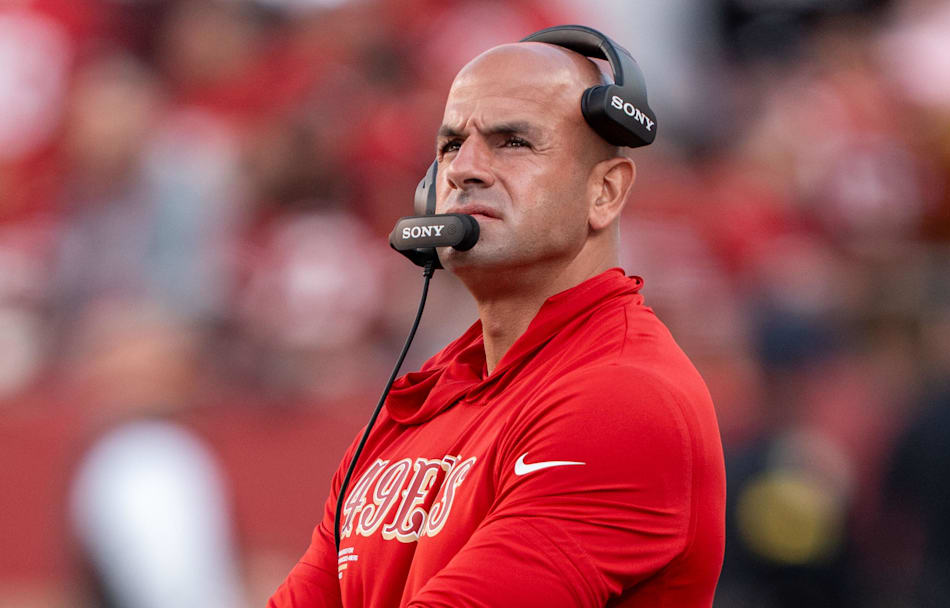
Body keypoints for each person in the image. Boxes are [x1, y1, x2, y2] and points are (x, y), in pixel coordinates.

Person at [268, 27, 726, 607]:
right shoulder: (415, 403)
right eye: (452, 144)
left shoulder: (627, 398)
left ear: (605, 192)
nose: (465, 170)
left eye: (512, 142)